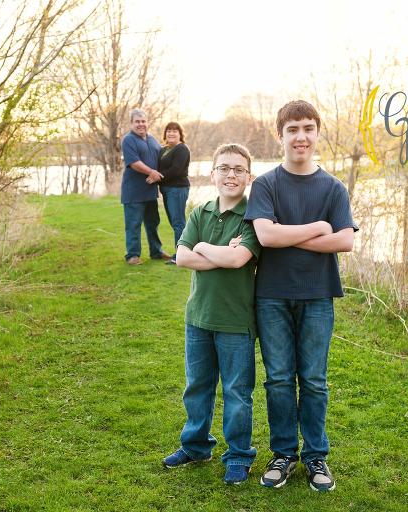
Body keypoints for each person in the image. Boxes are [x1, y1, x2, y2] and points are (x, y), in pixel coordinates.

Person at [244, 100, 358, 491]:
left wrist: (291, 236)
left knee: (312, 380)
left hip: (317, 296)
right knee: (277, 379)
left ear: (317, 132)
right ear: (280, 136)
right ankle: (283, 454)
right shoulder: (266, 184)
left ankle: (315, 457)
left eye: (308, 128)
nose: (301, 136)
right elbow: (265, 236)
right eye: (292, 129)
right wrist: (317, 228)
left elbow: (344, 241)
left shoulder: (333, 187)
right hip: (271, 296)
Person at [162, 143, 260, 485]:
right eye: (224, 168)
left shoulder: (254, 216)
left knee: (236, 392)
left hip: (235, 321)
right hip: (198, 317)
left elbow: (238, 260)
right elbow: (183, 257)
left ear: (249, 176)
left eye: (238, 169)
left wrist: (201, 249)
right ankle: (195, 445)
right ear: (212, 172)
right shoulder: (200, 212)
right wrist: (209, 249)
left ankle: (238, 455)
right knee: (197, 386)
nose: (230, 175)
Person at [120, 108, 171, 265]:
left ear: (147, 123)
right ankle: (132, 255)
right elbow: (134, 163)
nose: (141, 124)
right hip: (133, 192)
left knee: (153, 222)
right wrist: (152, 172)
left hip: (150, 191)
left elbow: (161, 156)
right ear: (131, 123)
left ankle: (156, 251)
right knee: (133, 224)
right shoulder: (128, 140)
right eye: (137, 122)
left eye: (143, 121)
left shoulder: (152, 139)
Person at [156, 122, 191, 265]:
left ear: (180, 134)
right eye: (168, 131)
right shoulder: (164, 150)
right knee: (174, 222)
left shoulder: (182, 149)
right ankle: (183, 252)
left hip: (178, 189)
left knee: (178, 223)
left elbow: (176, 170)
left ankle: (180, 256)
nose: (171, 133)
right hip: (167, 189)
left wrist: (157, 176)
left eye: (174, 131)